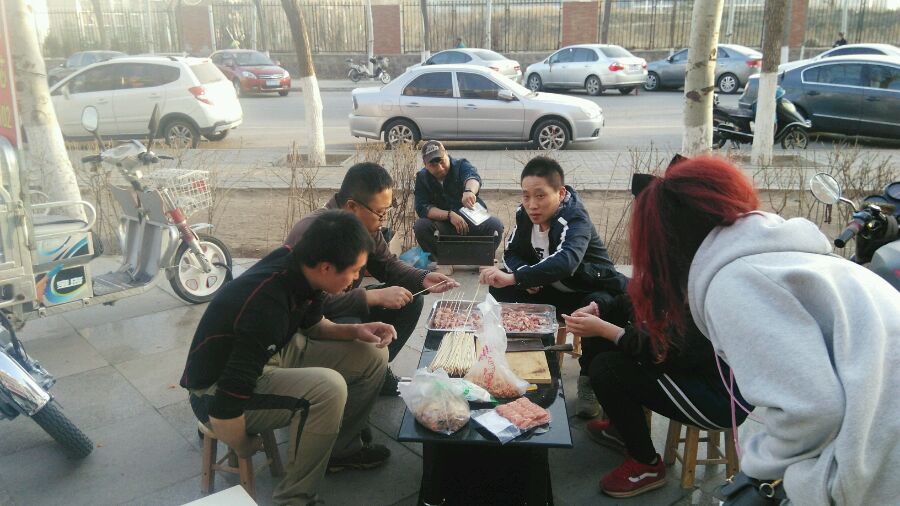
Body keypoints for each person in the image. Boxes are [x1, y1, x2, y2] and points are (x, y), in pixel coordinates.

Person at [624, 156, 900, 504]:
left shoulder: (736, 283)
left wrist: (757, 468)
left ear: (667, 242)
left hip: (878, 466)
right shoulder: (788, 259)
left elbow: (811, 411)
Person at [181, 211, 395, 506]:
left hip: (271, 355)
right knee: (328, 389)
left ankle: (340, 450)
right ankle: (294, 499)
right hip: (213, 392)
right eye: (355, 271)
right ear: (326, 267)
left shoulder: (303, 269)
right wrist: (245, 445)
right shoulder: (267, 306)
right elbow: (225, 409)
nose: (357, 279)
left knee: (372, 354)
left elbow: (314, 326)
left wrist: (358, 331)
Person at [285, 162, 459, 396]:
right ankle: (352, 379)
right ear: (352, 206)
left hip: (339, 303)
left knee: (409, 298)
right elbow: (312, 307)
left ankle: (376, 371)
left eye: (387, 211)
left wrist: (423, 277)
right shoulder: (317, 233)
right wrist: (372, 297)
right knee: (350, 319)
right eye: (381, 213)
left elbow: (387, 264)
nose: (383, 220)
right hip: (308, 323)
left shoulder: (365, 226)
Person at [479, 155, 627, 419]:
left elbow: (566, 262)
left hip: (590, 289)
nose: (532, 205)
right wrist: (525, 276)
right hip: (553, 290)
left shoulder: (575, 218)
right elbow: (511, 252)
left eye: (540, 196)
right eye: (526, 196)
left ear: (560, 193)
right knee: (499, 286)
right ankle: (519, 352)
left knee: (595, 309)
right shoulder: (525, 214)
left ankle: (588, 379)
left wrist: (520, 278)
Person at [562, 294, 751, 498]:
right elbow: (629, 299)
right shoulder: (674, 282)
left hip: (719, 397)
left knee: (608, 369)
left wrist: (606, 330)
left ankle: (647, 464)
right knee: (608, 323)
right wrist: (597, 307)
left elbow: (663, 352)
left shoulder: (709, 298)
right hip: (690, 366)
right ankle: (622, 431)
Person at [413, 140, 505, 262]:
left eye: (442, 161)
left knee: (495, 226)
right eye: (433, 165)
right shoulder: (422, 178)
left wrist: (469, 191)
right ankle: (441, 261)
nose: (440, 168)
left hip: (471, 220)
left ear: (447, 154)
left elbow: (473, 177)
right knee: (421, 227)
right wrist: (449, 215)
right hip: (444, 224)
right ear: (425, 164)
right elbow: (422, 207)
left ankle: (481, 260)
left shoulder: (461, 165)